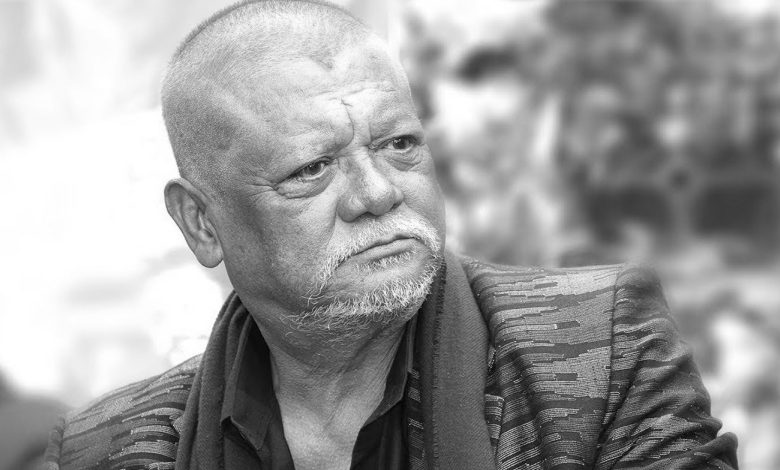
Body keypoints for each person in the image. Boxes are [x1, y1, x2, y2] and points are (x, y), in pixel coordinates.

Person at [43, 1, 738, 468]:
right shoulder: (106, 449)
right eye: (311, 169)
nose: (378, 194)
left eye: (399, 144)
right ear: (201, 223)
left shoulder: (596, 345)